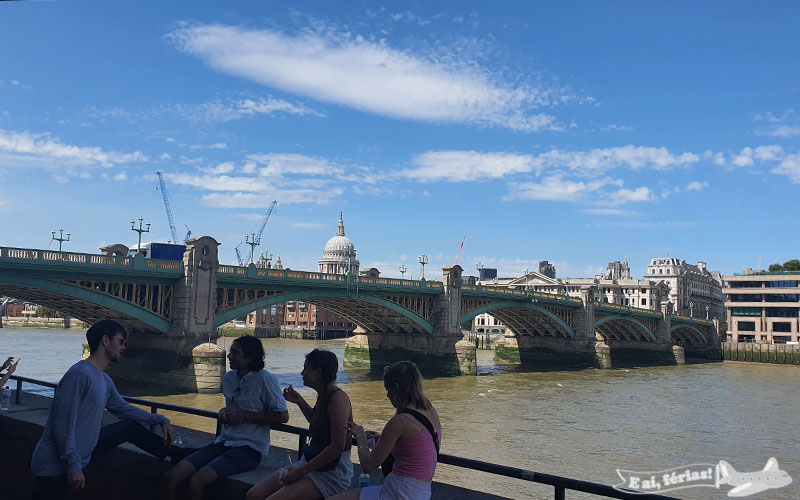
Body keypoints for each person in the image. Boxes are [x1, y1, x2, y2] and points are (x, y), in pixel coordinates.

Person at [30, 319, 183, 500]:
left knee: (129, 428)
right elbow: (63, 423)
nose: (123, 347)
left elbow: (123, 409)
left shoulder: (103, 379)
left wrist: (160, 419)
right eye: (121, 341)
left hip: (80, 455)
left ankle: (177, 454)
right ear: (105, 340)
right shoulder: (79, 374)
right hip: (54, 466)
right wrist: (73, 464)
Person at [165, 335, 289, 500]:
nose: (229, 356)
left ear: (250, 358)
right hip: (223, 442)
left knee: (198, 480)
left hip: (249, 449)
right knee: (173, 475)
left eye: (235, 353)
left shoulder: (266, 379)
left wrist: (245, 416)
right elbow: (231, 407)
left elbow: (283, 416)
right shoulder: (229, 378)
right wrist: (224, 413)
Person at [246, 349, 353, 500]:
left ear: (318, 371)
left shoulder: (337, 399)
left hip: (331, 473)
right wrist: (300, 401)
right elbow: (319, 425)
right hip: (311, 463)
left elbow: (337, 446)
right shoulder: (323, 395)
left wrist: (301, 471)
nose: (302, 373)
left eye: (306, 368)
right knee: (253, 495)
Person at [332, 361, 441, 500]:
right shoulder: (430, 410)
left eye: (387, 389)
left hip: (397, 493)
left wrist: (361, 438)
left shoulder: (400, 421)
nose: (387, 395)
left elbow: (368, 466)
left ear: (396, 387)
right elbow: (416, 448)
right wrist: (382, 439)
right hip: (421, 493)